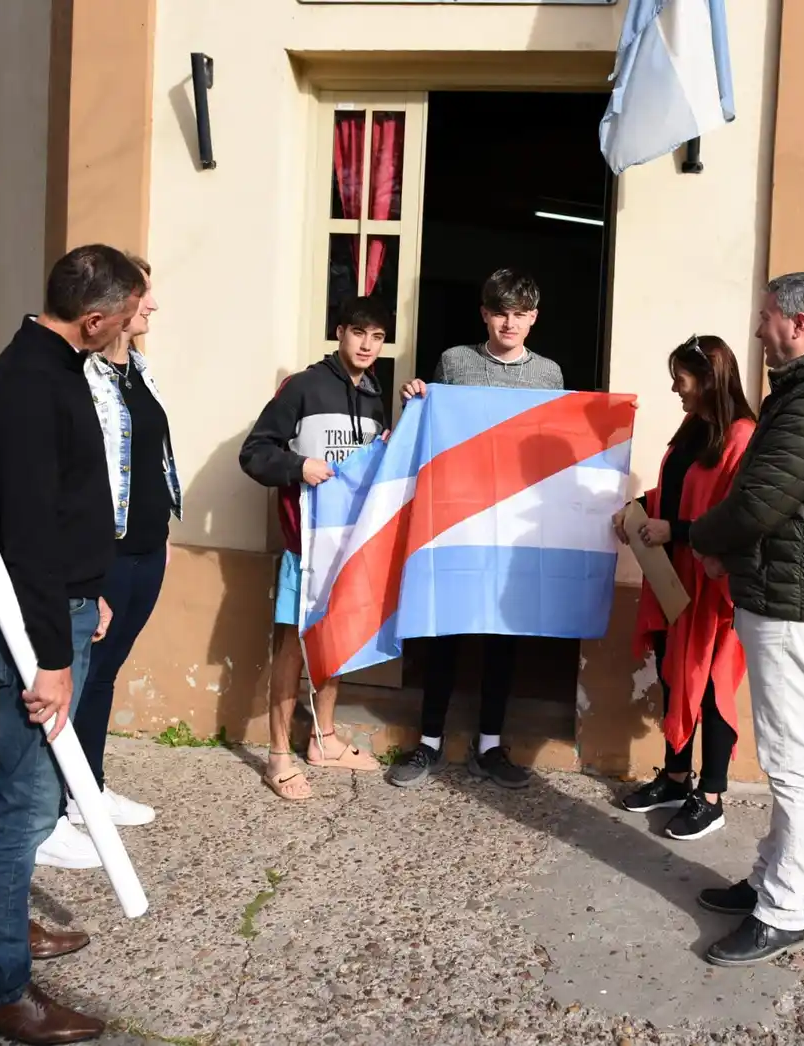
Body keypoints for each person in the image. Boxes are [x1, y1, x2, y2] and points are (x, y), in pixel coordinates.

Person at [0, 245, 147, 1043]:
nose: (133, 329)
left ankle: (2, 931)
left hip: (65, 602)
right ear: (96, 317)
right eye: (130, 315)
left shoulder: (53, 367)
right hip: (36, 625)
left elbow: (64, 509)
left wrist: (93, 587)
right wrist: (55, 659)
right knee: (26, 804)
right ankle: (3, 990)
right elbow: (30, 536)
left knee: (27, 801)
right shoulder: (32, 385)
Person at [688, 272, 804, 967]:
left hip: (795, 610)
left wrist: (699, 540)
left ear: (797, 322)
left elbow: (756, 505)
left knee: (793, 764)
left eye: (767, 317)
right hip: (795, 596)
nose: (760, 327)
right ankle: (770, 877)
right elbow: (770, 501)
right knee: (787, 756)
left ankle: (783, 910)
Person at [390, 268, 564, 790]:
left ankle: (490, 745)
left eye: (520, 314)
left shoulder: (550, 375)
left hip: (513, 524)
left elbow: (555, 446)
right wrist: (414, 401)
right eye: (500, 312)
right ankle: (428, 742)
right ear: (485, 313)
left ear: (533, 318)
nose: (510, 323)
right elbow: (429, 432)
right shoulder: (455, 362)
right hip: (456, 516)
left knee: (501, 635)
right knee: (444, 628)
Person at [32, 256, 179, 869]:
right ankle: (58, 807)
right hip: (109, 552)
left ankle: (87, 786)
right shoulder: (81, 378)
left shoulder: (136, 370)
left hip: (148, 545)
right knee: (81, 675)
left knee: (105, 671)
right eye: (143, 298)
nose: (151, 308)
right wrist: (91, 574)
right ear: (111, 311)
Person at [239, 295, 392, 800]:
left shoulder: (374, 395)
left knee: (337, 642)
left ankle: (323, 738)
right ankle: (278, 756)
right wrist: (297, 467)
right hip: (303, 547)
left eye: (378, 337)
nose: (367, 345)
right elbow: (255, 452)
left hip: (351, 549)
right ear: (340, 332)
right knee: (290, 648)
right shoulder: (302, 387)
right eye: (359, 333)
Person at [613, 335, 756, 841]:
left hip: (715, 589)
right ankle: (676, 778)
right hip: (675, 580)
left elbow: (740, 515)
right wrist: (639, 511)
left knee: (713, 684)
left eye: (682, 377)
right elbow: (674, 490)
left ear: (709, 378)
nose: (675, 387)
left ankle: (711, 796)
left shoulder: (743, 436)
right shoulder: (696, 429)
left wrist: (677, 530)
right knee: (675, 673)